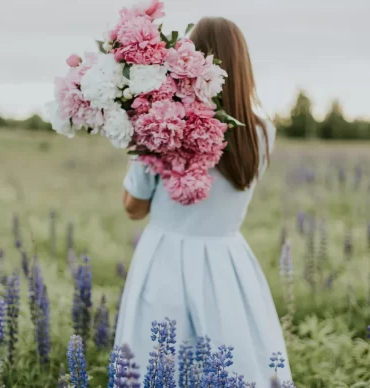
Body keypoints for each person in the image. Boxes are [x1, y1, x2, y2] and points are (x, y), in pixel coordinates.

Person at [116, 17, 292, 385]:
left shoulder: (160, 122)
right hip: (228, 262)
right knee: (234, 363)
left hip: (165, 258)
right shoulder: (262, 133)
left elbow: (133, 207)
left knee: (159, 367)